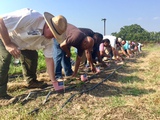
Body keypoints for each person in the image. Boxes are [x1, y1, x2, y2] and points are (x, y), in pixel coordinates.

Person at [0, 8, 67, 105]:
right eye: (54, 34)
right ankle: (1, 95)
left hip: (24, 44)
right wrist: (8, 44)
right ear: (48, 27)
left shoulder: (49, 41)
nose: (54, 38)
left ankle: (31, 82)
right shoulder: (30, 16)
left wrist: (53, 81)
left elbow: (49, 60)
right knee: (4, 60)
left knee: (32, 57)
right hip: (5, 36)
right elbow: (1, 21)